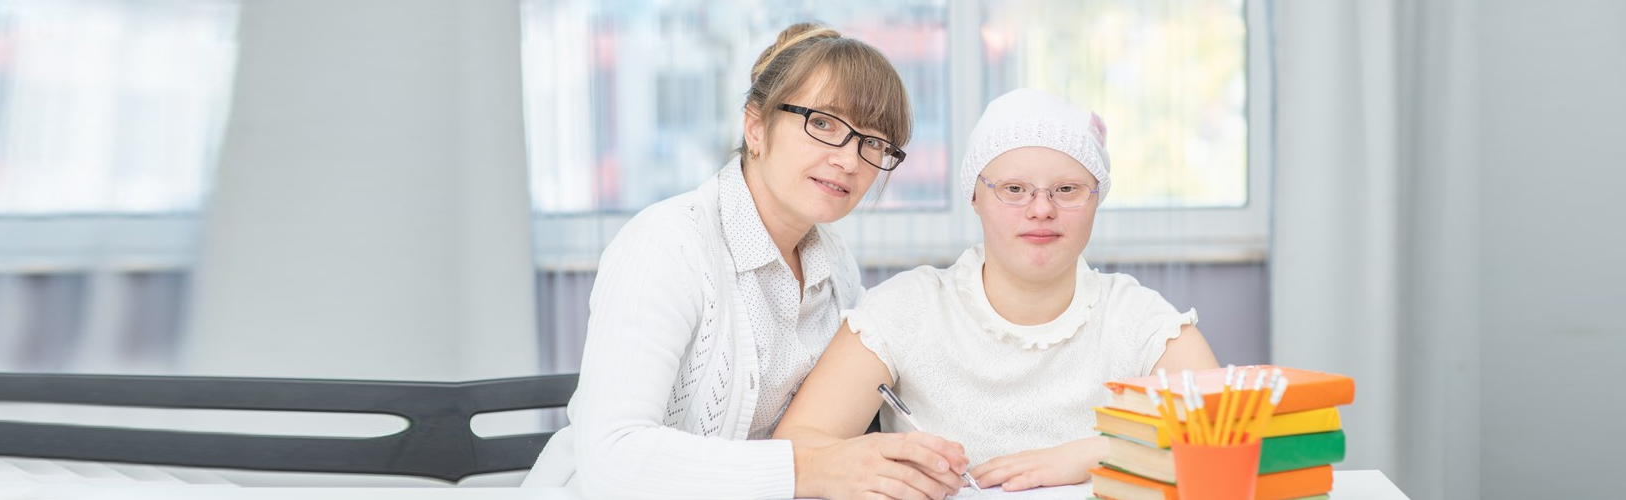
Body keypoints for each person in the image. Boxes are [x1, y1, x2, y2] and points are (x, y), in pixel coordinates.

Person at [523, 23, 972, 499]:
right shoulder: (667, 246)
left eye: (874, 142)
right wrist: (808, 470)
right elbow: (612, 460)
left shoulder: (836, 265)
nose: (850, 161)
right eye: (823, 123)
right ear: (755, 127)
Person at [773, 88, 1222, 496]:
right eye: (1013, 190)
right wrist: (877, 465)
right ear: (975, 197)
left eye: (1067, 190)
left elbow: (1233, 432)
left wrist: (1092, 452)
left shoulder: (1137, 319)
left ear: (1096, 199)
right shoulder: (908, 309)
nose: (1042, 209)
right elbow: (796, 447)